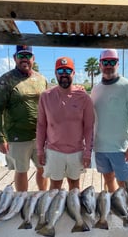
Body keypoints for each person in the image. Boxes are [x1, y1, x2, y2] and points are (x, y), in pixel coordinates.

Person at [0, 45, 48, 191]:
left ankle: (43, 196)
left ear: (33, 59)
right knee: (21, 170)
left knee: (44, 168)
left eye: (28, 56)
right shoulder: (6, 79)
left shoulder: (41, 79)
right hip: (17, 136)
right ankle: (21, 201)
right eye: (21, 56)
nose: (24, 59)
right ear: (15, 58)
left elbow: (50, 104)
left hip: (41, 136)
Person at [36, 56, 94, 190]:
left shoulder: (84, 98)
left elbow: (89, 128)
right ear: (55, 73)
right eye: (60, 71)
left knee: (74, 185)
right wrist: (39, 150)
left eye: (68, 71)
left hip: (76, 151)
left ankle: (74, 210)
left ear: (73, 73)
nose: (64, 75)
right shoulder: (45, 96)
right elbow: (41, 125)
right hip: (53, 151)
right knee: (55, 185)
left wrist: (87, 153)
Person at [91, 49, 128, 192]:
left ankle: (127, 209)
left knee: (125, 184)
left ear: (117, 64)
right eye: (105, 62)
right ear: (100, 65)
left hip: (122, 148)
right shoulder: (95, 89)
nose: (108, 65)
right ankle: (115, 205)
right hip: (100, 147)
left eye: (112, 62)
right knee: (108, 179)